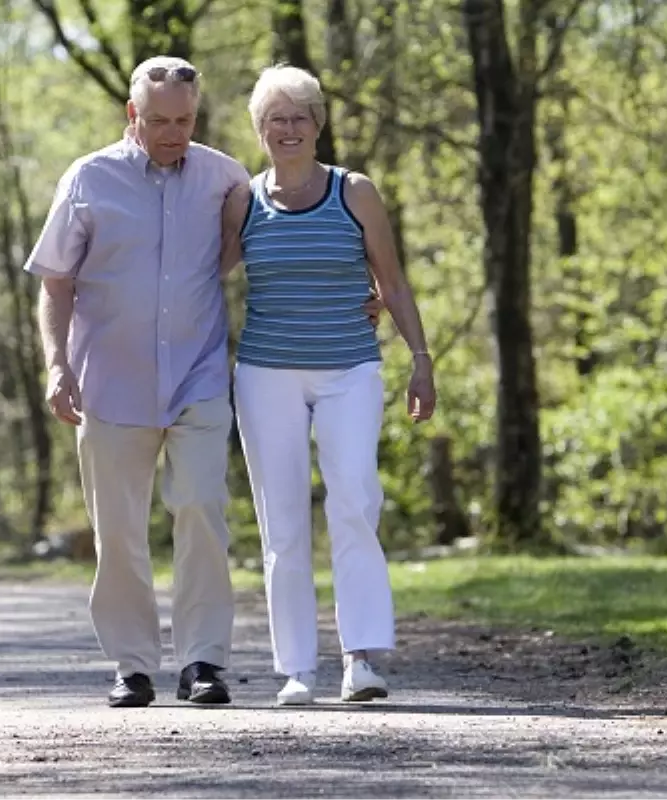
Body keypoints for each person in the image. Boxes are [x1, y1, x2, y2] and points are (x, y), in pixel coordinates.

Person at [23, 56, 249, 708]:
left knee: (202, 509)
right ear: (133, 114)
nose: (173, 132)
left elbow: (261, 246)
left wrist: (365, 292)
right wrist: (57, 365)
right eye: (159, 120)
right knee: (118, 530)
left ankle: (204, 661)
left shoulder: (223, 177)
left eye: (184, 119)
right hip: (110, 384)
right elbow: (56, 281)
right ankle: (133, 665)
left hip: (198, 376)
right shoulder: (89, 179)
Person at [220, 64, 437, 706]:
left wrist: (421, 358)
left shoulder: (355, 192)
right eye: (275, 119)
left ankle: (361, 659)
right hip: (265, 375)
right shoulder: (243, 200)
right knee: (281, 523)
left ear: (319, 125)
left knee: (354, 500)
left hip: (350, 368)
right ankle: (296, 669)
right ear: (260, 131)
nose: (288, 129)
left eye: (299, 117)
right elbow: (202, 276)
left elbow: (392, 282)